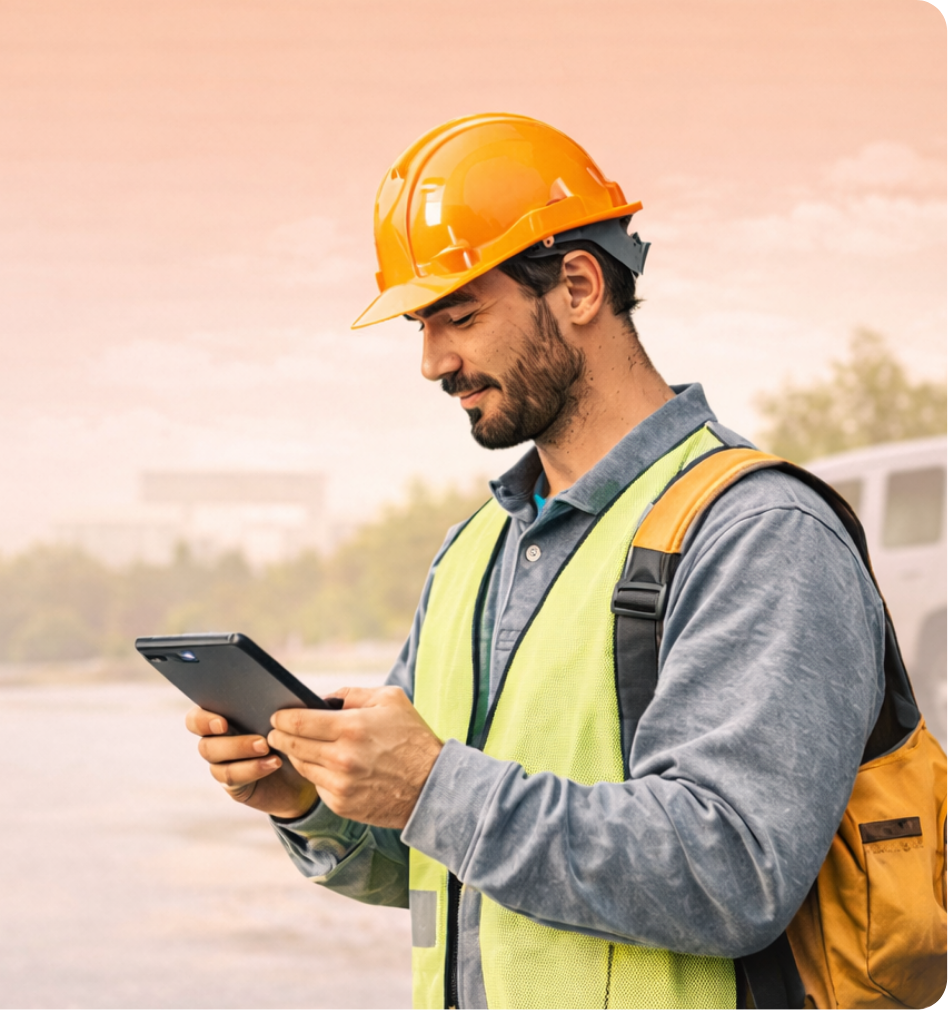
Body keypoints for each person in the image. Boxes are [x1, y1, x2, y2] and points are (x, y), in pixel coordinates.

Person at [185, 114, 883, 1010]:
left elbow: (732, 871)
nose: (434, 361)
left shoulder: (756, 531)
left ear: (580, 287)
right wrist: (307, 799)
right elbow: (433, 851)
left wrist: (434, 782)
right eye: (422, 325)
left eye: (460, 315)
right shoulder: (472, 555)